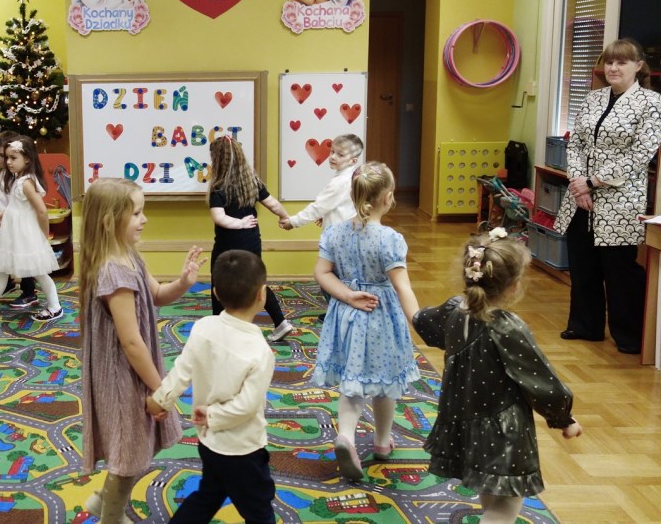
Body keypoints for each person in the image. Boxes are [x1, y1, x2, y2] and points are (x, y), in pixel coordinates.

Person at [413, 228, 582, 524]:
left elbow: (424, 323)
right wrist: (563, 418)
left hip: (463, 422)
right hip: (504, 434)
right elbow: (540, 380)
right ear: (514, 286)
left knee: (491, 495)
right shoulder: (506, 326)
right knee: (504, 508)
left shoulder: (453, 311)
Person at [78, 178, 205, 524]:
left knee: (133, 445)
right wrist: (160, 389)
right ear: (109, 221)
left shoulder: (129, 256)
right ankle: (111, 516)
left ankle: (102, 501)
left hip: (132, 372)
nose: (144, 219)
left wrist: (184, 282)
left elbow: (158, 294)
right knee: (129, 452)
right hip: (122, 378)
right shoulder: (115, 272)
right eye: (136, 213)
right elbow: (131, 341)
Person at [147, 249, 277, 524]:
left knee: (208, 495)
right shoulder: (260, 351)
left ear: (215, 293)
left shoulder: (203, 327)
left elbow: (181, 370)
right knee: (260, 511)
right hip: (243, 450)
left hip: (208, 442)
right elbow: (247, 406)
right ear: (261, 295)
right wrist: (213, 415)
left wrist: (161, 400)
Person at [312, 161, 420, 480]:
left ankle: (346, 435)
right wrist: (419, 320)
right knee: (385, 382)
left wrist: (347, 295)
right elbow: (402, 287)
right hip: (380, 318)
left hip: (346, 318)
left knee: (353, 381)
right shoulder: (389, 239)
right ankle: (382, 442)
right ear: (388, 197)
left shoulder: (334, 233)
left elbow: (322, 273)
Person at [554, 38, 661, 354]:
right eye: (610, 62)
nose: (613, 68)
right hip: (580, 195)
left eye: (621, 62)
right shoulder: (593, 98)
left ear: (638, 66)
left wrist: (593, 182)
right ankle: (585, 326)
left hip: (620, 199)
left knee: (619, 269)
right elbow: (575, 143)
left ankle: (629, 335)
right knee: (582, 263)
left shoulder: (651, 103)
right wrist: (578, 183)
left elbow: (641, 153)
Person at [207, 136, 295, 342]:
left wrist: (239, 223)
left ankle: (218, 325)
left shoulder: (218, 187)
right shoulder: (252, 182)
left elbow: (219, 217)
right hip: (251, 241)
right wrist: (285, 217)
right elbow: (273, 204)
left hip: (228, 244)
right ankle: (281, 322)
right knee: (255, 281)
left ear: (217, 160)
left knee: (218, 280)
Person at [0, 135, 63, 322]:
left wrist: (43, 236)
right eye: (7, 157)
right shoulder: (18, 179)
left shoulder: (26, 183)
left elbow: (42, 211)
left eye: (13, 158)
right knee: (3, 270)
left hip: (24, 235)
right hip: (13, 234)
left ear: (27, 159)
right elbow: (13, 207)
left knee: (39, 272)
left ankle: (55, 307)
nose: (8, 162)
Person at [0, 130, 39, 311]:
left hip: (14, 226)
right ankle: (7, 286)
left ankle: (29, 293)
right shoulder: (6, 173)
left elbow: (18, 204)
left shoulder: (19, 177)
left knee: (22, 261)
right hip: (4, 226)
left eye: (2, 156)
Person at [280, 133, 362, 232]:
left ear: (353, 161)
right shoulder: (352, 177)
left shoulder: (340, 182)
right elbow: (342, 206)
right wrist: (326, 215)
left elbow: (318, 207)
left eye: (340, 155)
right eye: (332, 151)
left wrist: (294, 222)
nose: (333, 157)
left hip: (337, 235)